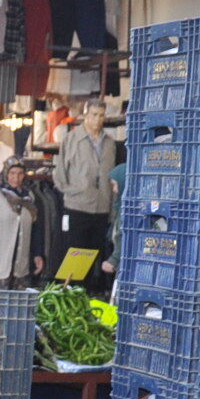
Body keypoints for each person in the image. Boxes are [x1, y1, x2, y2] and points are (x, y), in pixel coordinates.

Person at [55, 101, 117, 286]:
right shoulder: (72, 139)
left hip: (101, 208)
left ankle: (86, 296)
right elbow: (59, 173)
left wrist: (112, 207)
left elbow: (111, 176)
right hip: (77, 207)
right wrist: (73, 191)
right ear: (85, 115)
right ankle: (68, 296)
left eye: (101, 115)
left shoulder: (109, 143)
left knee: (93, 256)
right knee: (73, 257)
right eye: (94, 114)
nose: (97, 119)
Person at [0, 160, 40, 288]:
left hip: (20, 263)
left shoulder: (29, 198)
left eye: (20, 173)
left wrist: (37, 254)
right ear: (6, 173)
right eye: (12, 173)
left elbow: (35, 229)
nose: (16, 178)